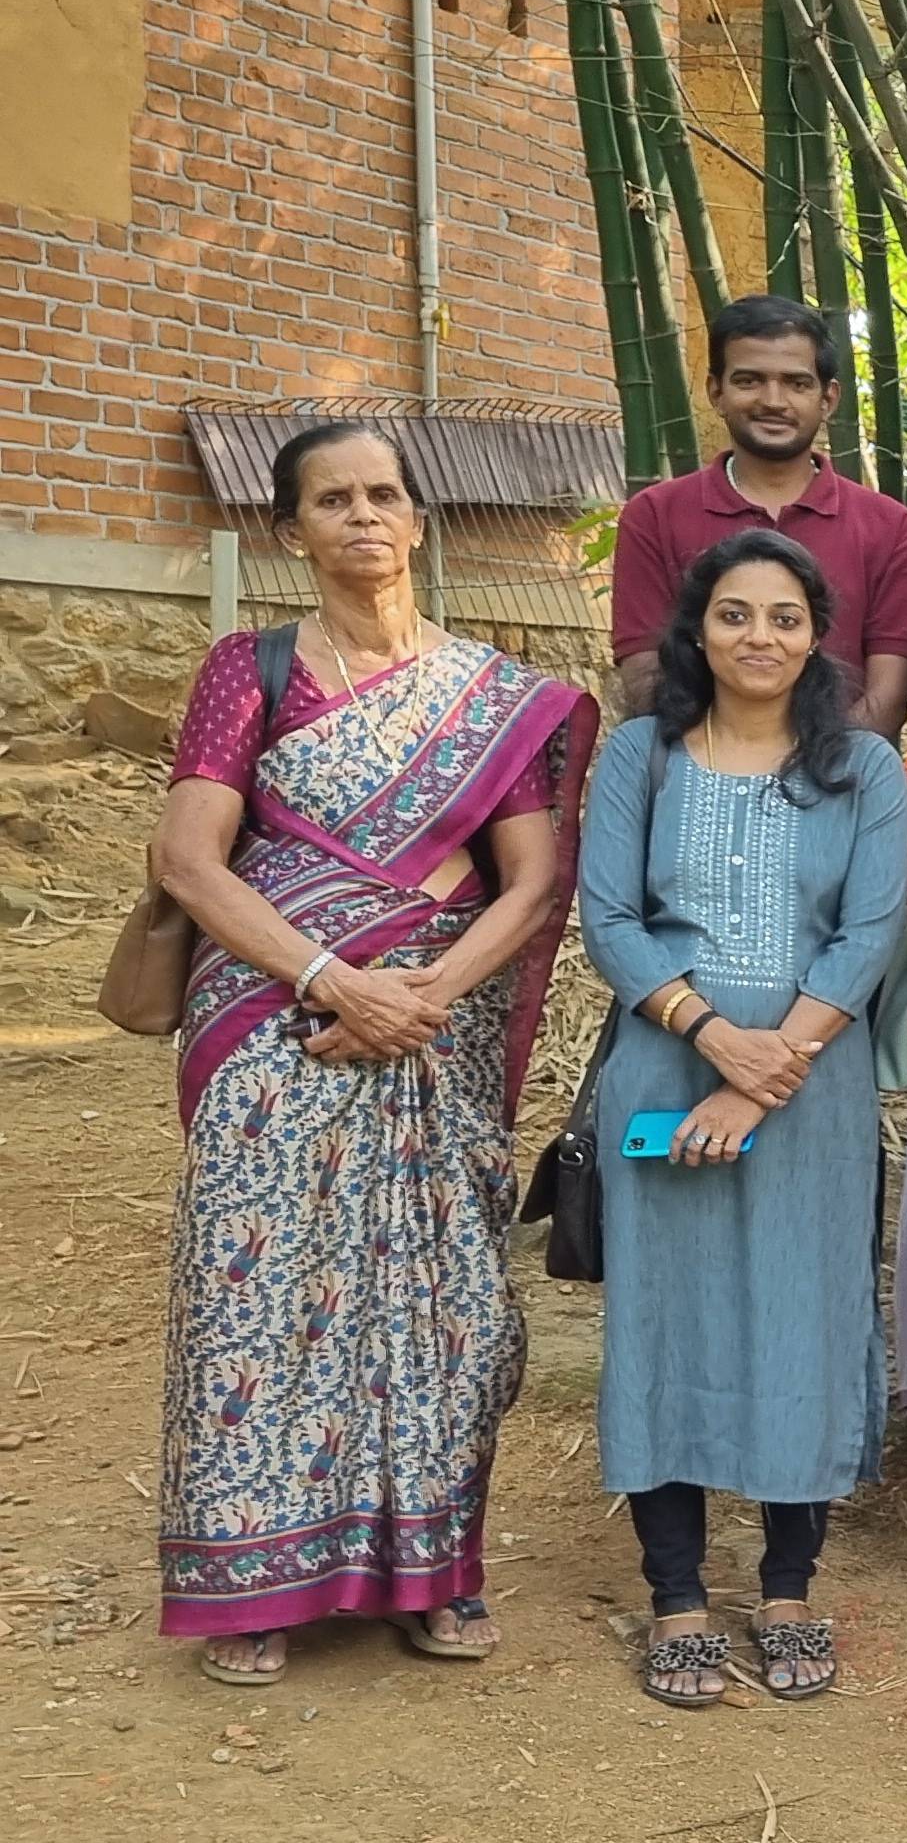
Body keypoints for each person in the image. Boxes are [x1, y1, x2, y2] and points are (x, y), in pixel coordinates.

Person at [155, 422, 596, 1684]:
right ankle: (250, 1586)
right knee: (257, 1288)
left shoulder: (493, 695)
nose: (362, 516)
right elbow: (189, 859)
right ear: (290, 530)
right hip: (274, 1021)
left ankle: (434, 1572)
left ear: (417, 518)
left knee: (442, 1299)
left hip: (433, 1032)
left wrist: (426, 996)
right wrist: (333, 979)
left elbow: (531, 880)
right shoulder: (251, 670)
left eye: (383, 495)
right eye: (332, 499)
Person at [579, 529, 907, 1708]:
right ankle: (675, 1594)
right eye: (734, 614)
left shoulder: (864, 770)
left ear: (817, 637)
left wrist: (766, 1070)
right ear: (698, 630)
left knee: (800, 1320)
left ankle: (787, 1590)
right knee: (664, 1324)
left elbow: (869, 935)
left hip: (813, 1096)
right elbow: (609, 919)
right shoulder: (642, 755)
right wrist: (714, 1039)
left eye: (784, 617)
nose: (758, 636)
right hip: (663, 1070)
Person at [611, 294, 907, 732]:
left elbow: (886, 697)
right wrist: (721, 759)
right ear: (716, 392)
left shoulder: (890, 528)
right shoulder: (654, 516)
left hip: (843, 767)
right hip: (693, 763)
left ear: (828, 398)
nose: (773, 400)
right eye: (749, 381)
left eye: (797, 383)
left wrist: (814, 764)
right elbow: (645, 676)